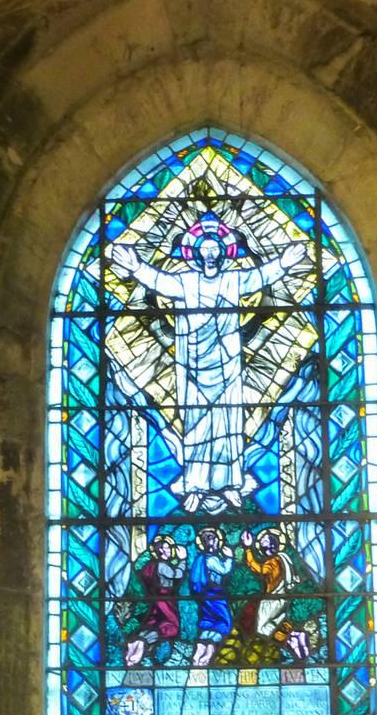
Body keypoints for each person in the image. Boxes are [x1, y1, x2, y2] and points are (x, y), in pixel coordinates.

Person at [110, 213, 305, 514]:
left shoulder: (233, 279)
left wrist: (285, 262)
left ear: (224, 253)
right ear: (197, 254)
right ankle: (195, 484)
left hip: (227, 365)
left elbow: (260, 277)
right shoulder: (186, 281)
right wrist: (135, 266)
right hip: (193, 367)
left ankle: (230, 482)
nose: (210, 255)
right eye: (205, 250)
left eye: (215, 250)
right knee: (197, 425)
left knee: (228, 422)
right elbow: (161, 282)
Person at [240, 527, 311, 661]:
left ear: (272, 544)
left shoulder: (274, 561)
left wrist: (248, 549)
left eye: (264, 540)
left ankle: (291, 636)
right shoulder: (284, 558)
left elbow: (259, 569)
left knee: (262, 628)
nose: (261, 542)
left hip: (272, 599)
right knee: (276, 623)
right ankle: (294, 636)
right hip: (282, 598)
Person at [124, 534, 185, 667]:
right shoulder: (161, 565)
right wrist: (183, 560)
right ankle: (141, 644)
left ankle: (136, 642)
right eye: (167, 548)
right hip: (165, 600)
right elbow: (176, 575)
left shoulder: (152, 565)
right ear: (160, 551)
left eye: (169, 548)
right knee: (170, 627)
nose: (169, 551)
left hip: (158, 599)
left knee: (155, 624)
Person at [187, 527, 234, 667]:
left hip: (203, 598)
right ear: (212, 542)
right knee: (223, 623)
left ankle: (197, 654)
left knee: (208, 622)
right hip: (215, 596)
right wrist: (230, 557)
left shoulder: (199, 559)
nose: (215, 542)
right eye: (213, 540)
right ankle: (207, 656)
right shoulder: (211, 559)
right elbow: (224, 570)